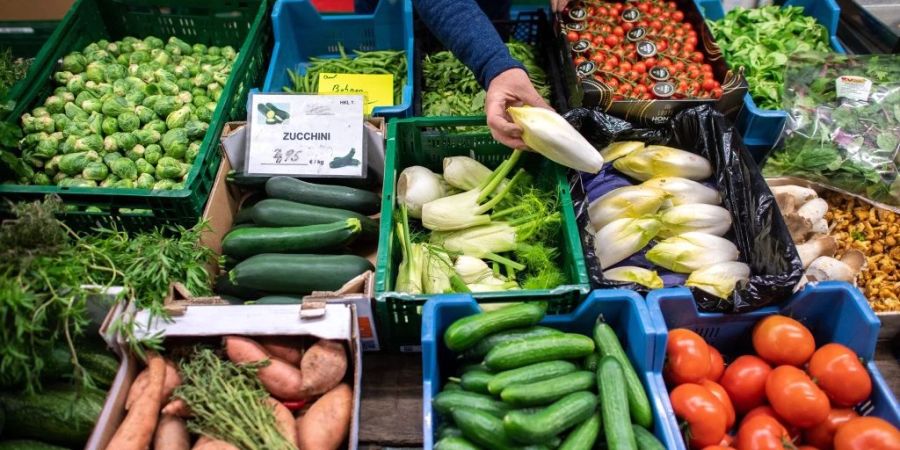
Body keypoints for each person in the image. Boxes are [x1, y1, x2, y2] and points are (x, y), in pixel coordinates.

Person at [356, 0, 570, 149]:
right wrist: (493, 63)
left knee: (492, 22)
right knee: (415, 36)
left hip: (486, 13)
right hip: (403, 13)